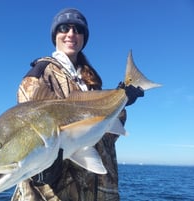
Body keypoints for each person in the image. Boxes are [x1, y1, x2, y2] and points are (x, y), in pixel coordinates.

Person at [12, 8, 143, 201]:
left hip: (100, 193)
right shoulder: (40, 75)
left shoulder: (91, 81)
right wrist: (43, 171)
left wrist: (122, 102)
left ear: (83, 38)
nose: (71, 34)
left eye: (78, 30)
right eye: (64, 28)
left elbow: (104, 140)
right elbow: (31, 136)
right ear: (55, 35)